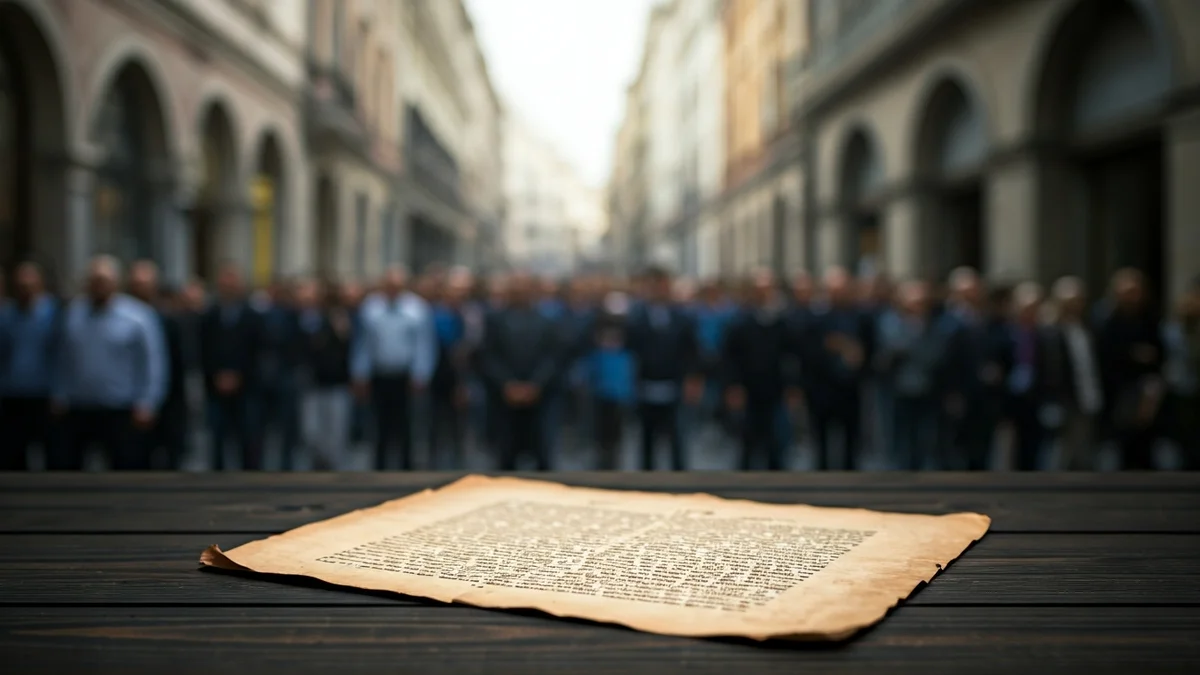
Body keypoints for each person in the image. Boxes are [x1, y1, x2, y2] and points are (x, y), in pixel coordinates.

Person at [52, 256, 167, 470]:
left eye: (104, 280)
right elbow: (63, 356)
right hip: (78, 406)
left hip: (121, 408)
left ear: (116, 283)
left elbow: (153, 362)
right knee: (71, 469)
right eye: (95, 280)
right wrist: (59, 391)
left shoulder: (138, 317)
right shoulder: (72, 314)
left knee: (125, 468)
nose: (99, 286)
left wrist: (148, 401)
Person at [475, 271, 566, 471]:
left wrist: (536, 385)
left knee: (542, 456)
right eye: (516, 288)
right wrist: (507, 384)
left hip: (540, 399)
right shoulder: (495, 320)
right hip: (505, 399)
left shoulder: (547, 322)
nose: (520, 293)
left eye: (524, 288)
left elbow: (553, 358)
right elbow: (488, 356)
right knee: (506, 457)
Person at [351, 265, 437, 471]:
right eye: (389, 285)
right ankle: (379, 467)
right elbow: (363, 344)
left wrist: (421, 374)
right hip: (379, 374)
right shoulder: (370, 307)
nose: (392, 289)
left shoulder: (417, 308)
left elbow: (424, 344)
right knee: (379, 425)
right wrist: (359, 373)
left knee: (406, 425)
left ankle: (406, 467)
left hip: (405, 375)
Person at [722, 269, 802, 470]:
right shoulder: (740, 323)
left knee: (776, 445)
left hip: (775, 390)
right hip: (748, 390)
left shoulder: (782, 322)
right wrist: (733, 386)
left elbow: (792, 357)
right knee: (748, 443)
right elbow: (730, 357)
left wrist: (793, 387)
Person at [625, 265, 703, 471]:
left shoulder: (683, 317)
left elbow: (692, 350)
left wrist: (693, 379)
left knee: (677, 441)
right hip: (646, 386)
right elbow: (629, 349)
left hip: (674, 385)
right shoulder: (635, 317)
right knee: (647, 441)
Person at [875, 280, 952, 471]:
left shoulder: (935, 324)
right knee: (899, 436)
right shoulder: (890, 321)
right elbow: (892, 347)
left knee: (924, 437)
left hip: (927, 387)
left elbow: (936, 354)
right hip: (898, 387)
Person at [941, 267, 1011, 470]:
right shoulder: (948, 322)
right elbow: (946, 361)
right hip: (961, 392)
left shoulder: (986, 319)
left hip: (986, 394)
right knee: (957, 447)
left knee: (982, 447)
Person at [805, 266, 873, 470]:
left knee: (851, 440)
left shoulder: (861, 317)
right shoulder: (816, 317)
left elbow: (871, 347)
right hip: (822, 388)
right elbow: (806, 350)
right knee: (822, 441)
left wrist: (858, 354)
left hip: (850, 388)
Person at [1096, 269, 1165, 470]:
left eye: (1136, 291)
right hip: (1118, 391)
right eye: (1127, 292)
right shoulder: (1107, 321)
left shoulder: (1149, 319)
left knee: (1145, 444)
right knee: (1120, 445)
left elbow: (1159, 354)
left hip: (1146, 389)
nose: (1132, 297)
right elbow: (1105, 356)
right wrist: (1132, 354)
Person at [127, 261, 190, 470]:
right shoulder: (122, 317)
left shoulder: (169, 320)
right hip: (129, 400)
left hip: (168, 401)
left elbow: (179, 365)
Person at [199, 263, 261, 470]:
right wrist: (217, 375)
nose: (228, 285)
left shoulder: (253, 315)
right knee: (217, 439)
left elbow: (258, 351)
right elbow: (202, 349)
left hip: (246, 387)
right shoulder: (209, 315)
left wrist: (238, 376)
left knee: (247, 438)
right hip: (215, 387)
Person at [0, 261, 60, 471]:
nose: (24, 289)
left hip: (44, 394)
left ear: (40, 284)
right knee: (12, 454)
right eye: (20, 285)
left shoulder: (55, 314)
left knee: (50, 454)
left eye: (29, 284)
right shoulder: (6, 315)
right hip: (11, 393)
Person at [1045, 276, 1104, 470]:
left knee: (1086, 451)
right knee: (1062, 452)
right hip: (1065, 400)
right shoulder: (1051, 332)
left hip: (1089, 396)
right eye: (1069, 302)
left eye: (1078, 301)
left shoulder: (1089, 328)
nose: (1074, 306)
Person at [295, 279, 353, 471]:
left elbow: (346, 346)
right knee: (311, 432)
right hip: (312, 384)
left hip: (336, 382)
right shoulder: (301, 318)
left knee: (335, 434)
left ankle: (333, 471)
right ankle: (318, 466)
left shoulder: (337, 317)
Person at [1004, 283, 1053, 471]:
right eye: (1025, 308)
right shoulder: (1007, 332)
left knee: (1037, 444)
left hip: (1037, 395)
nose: (1029, 312)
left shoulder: (1046, 334)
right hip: (1012, 396)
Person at [255, 279, 303, 469]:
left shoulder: (294, 316)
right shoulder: (260, 315)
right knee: (262, 429)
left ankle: (286, 464)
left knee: (286, 428)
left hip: (286, 377)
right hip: (264, 379)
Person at [589, 291, 635, 469]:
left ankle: (613, 459)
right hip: (601, 389)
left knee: (617, 431)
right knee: (601, 431)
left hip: (619, 391)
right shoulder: (594, 335)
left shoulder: (630, 338)